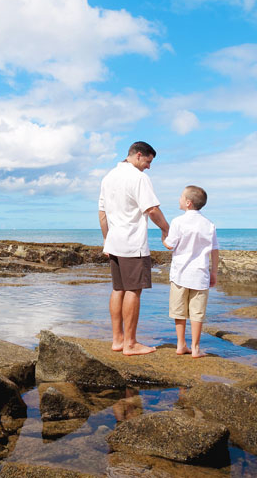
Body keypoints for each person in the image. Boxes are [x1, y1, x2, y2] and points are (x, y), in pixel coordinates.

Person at [99, 141, 169, 356]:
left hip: (114, 241)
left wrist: (106, 240)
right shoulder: (138, 178)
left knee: (118, 289)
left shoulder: (108, 177)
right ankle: (130, 343)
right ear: (139, 155)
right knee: (133, 290)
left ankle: (118, 340)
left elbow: (102, 214)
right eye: (148, 162)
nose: (148, 167)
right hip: (132, 243)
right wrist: (167, 229)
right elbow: (152, 209)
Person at [163, 185, 219, 358]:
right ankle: (195, 348)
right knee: (197, 312)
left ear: (188, 203)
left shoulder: (178, 221)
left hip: (180, 274)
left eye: (181, 197)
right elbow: (214, 251)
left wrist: (163, 238)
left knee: (179, 311)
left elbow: (171, 244)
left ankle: (181, 344)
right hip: (200, 274)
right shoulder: (209, 224)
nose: (179, 199)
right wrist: (214, 272)